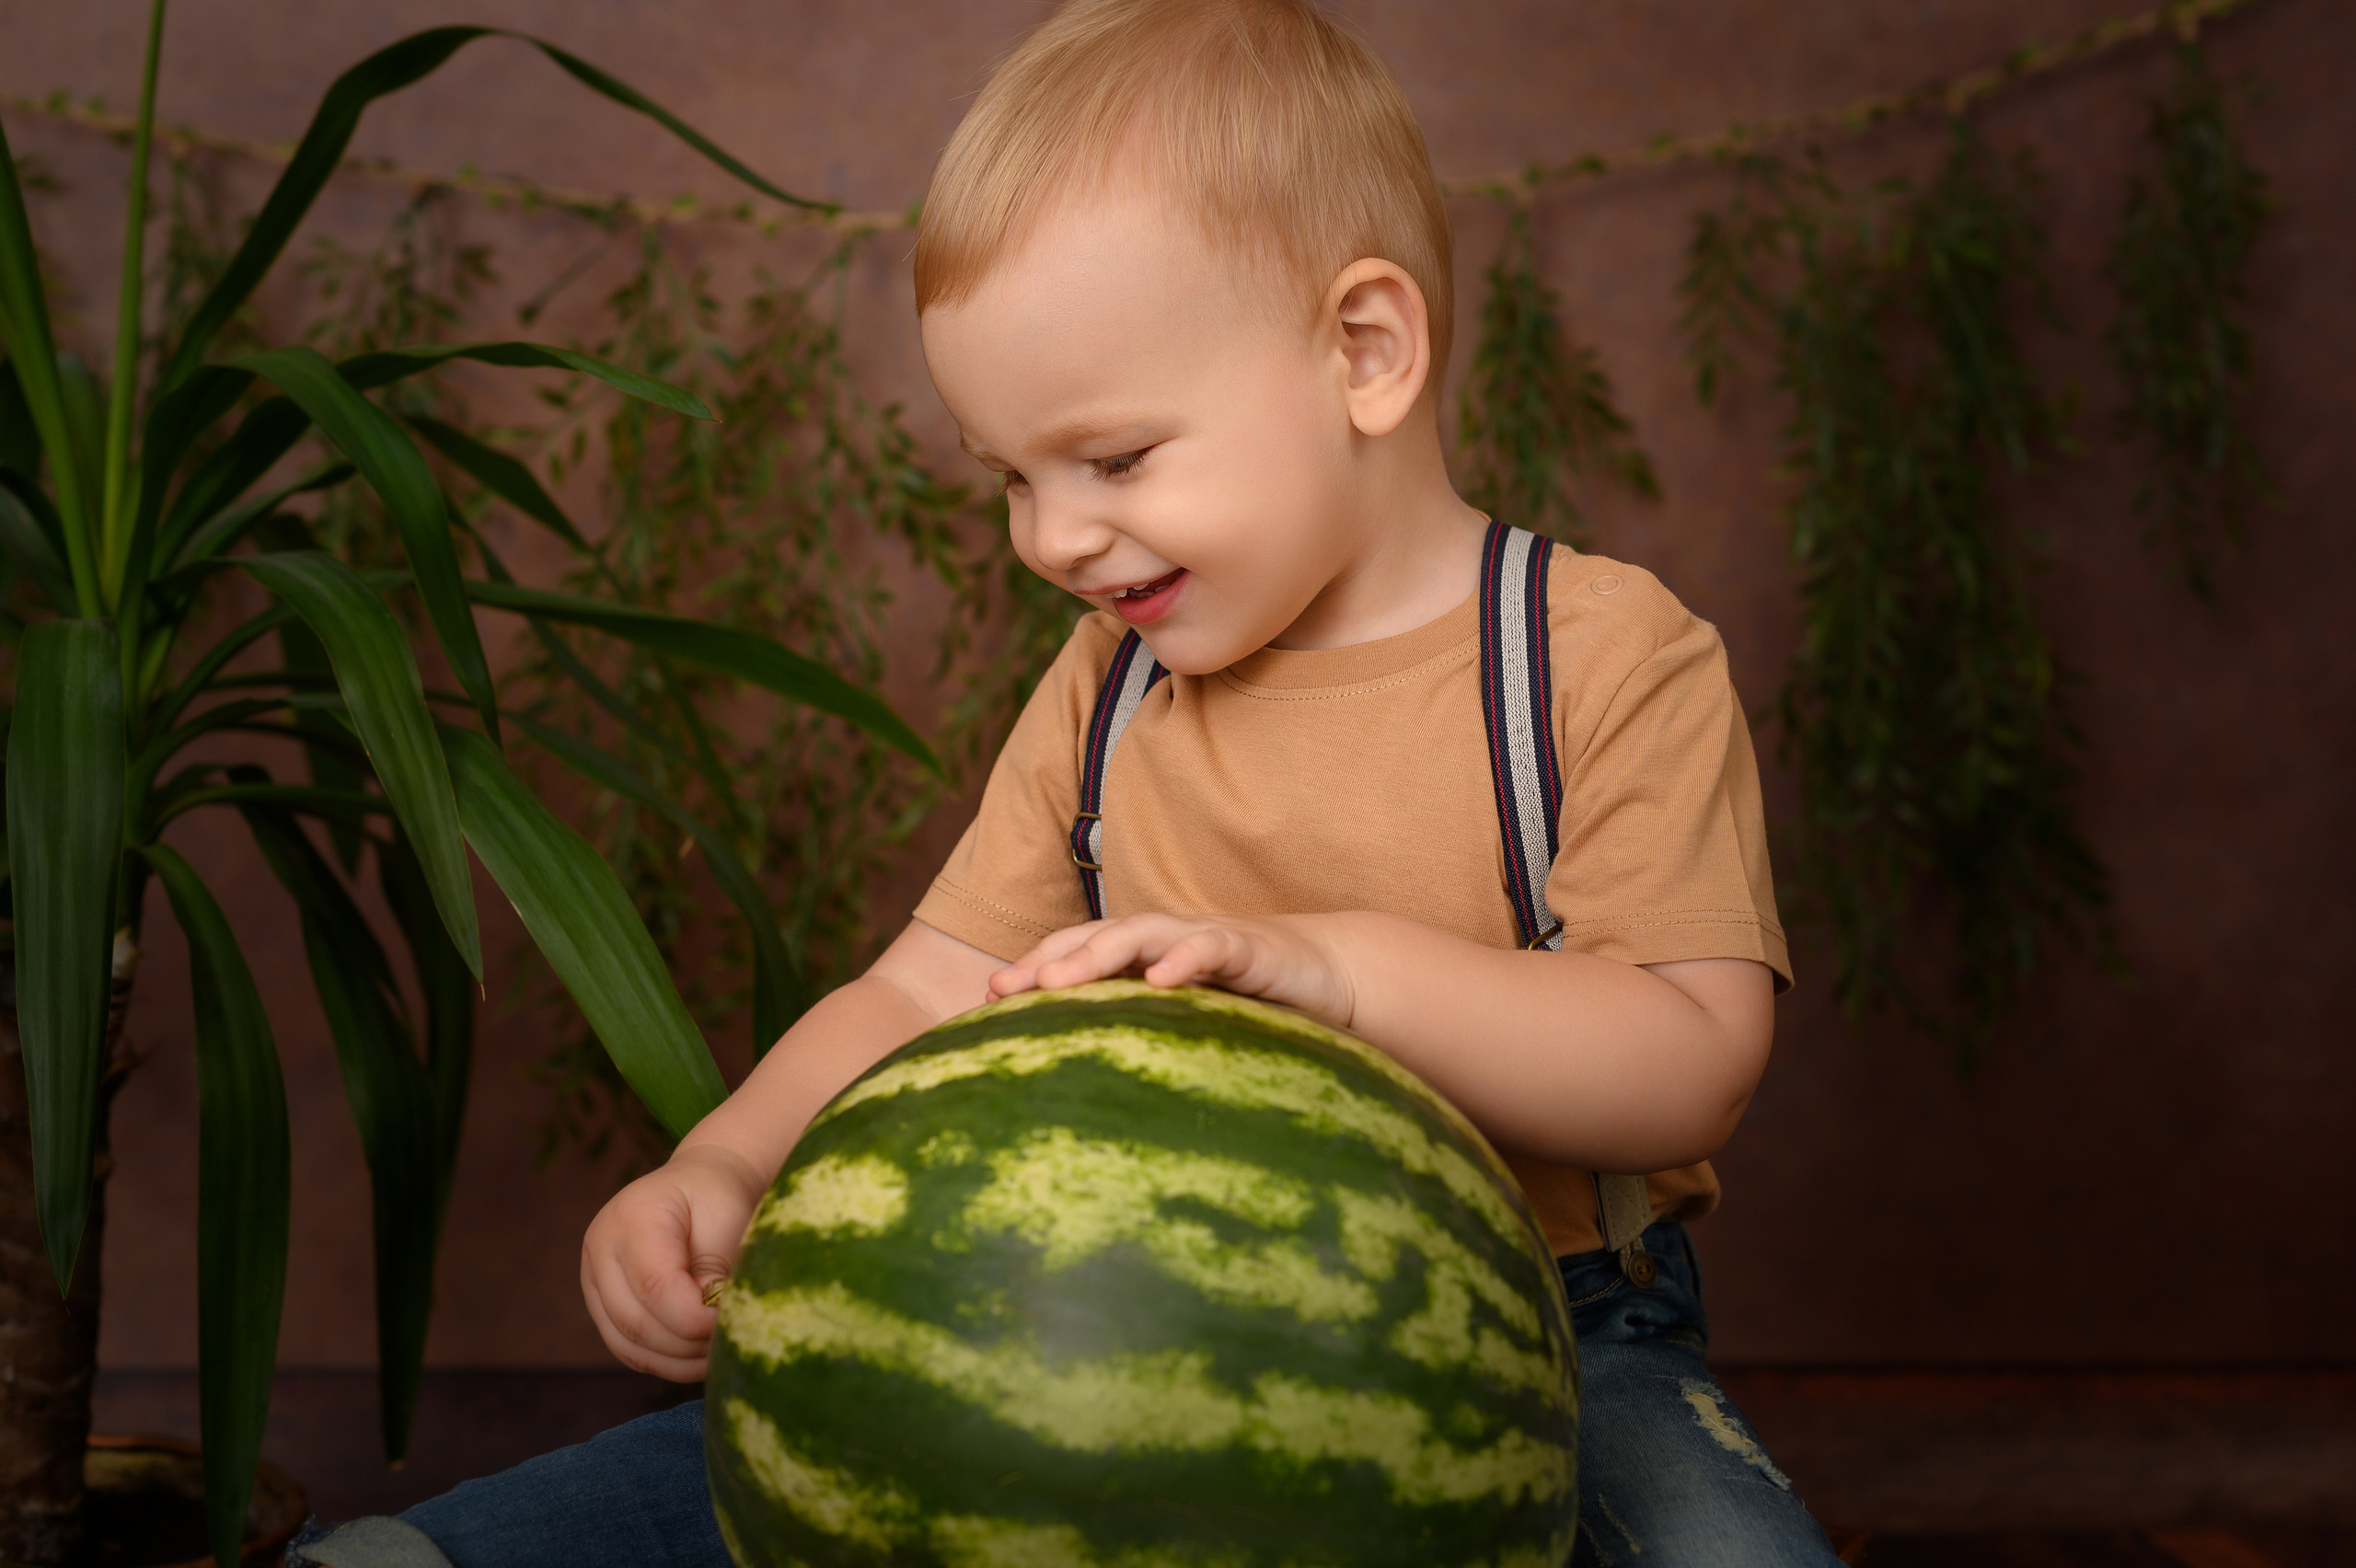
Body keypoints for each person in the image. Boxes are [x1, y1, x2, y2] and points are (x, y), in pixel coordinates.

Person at [289, 1, 1843, 1564]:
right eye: (1012, 479)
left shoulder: (1594, 656)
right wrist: (725, 1164)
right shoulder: (1112, 689)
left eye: (1113, 460)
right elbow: (921, 993)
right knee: (773, 1462)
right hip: (1090, 1319)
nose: (1051, 539)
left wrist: (1338, 971)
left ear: (1365, 353)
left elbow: (1687, 1055)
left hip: (1552, 1336)